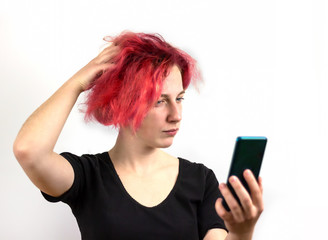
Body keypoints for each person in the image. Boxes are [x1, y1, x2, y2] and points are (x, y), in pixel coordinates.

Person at [13, 31, 264, 240]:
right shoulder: (88, 177)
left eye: (179, 98)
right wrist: (79, 81)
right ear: (124, 103)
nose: (176, 115)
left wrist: (243, 232)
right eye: (159, 101)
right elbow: (28, 150)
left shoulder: (200, 180)